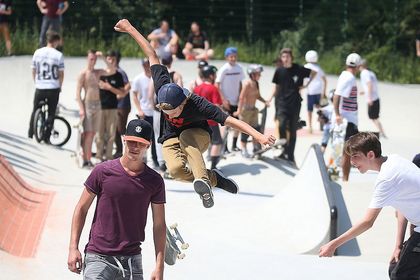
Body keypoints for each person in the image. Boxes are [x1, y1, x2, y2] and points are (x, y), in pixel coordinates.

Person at [114, 19, 275, 208]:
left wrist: (259, 136)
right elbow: (151, 54)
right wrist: (130, 28)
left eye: (174, 112)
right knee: (175, 171)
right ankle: (213, 179)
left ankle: (203, 180)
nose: (171, 116)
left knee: (188, 138)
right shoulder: (162, 85)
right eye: (166, 113)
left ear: (183, 102)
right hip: (170, 137)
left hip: (198, 135)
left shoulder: (200, 105)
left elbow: (231, 121)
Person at [67, 118, 166, 280]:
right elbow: (81, 208)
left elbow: (159, 225)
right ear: (124, 140)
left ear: (148, 145)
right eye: (131, 142)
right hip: (98, 256)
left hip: (132, 260)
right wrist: (73, 247)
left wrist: (159, 266)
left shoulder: (154, 181)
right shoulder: (102, 171)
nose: (135, 147)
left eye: (140, 143)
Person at [319, 132, 420, 280]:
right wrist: (398, 246)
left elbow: (367, 222)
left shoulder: (387, 178)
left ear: (370, 155)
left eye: (355, 156)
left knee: (401, 275)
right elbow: (402, 209)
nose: (352, 161)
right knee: (395, 267)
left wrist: (334, 244)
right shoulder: (394, 160)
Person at [269, 48, 316, 165]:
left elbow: (314, 73)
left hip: (295, 104)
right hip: (282, 103)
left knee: (293, 130)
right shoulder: (279, 70)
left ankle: (289, 155)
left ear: (291, 58)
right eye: (283, 57)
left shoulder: (298, 69)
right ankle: (284, 150)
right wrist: (269, 99)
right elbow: (276, 87)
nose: (285, 59)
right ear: (281, 58)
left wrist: (306, 86)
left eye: (287, 57)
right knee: (282, 124)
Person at [28, 31, 64, 142]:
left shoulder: (37, 52)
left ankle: (30, 133)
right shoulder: (58, 55)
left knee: (35, 109)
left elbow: (33, 70)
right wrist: (60, 86)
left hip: (40, 87)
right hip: (53, 87)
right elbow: (61, 74)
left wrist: (37, 82)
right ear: (56, 41)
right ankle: (46, 137)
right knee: (51, 112)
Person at [333, 52, 361, 181]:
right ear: (358, 66)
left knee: (343, 150)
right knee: (347, 151)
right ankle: (344, 180)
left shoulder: (345, 75)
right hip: (346, 120)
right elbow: (337, 95)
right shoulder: (349, 78)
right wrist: (338, 115)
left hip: (347, 119)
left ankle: (339, 177)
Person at [96, 50, 126, 161]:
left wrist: (110, 88)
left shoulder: (117, 75)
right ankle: (99, 156)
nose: (111, 61)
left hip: (113, 107)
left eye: (113, 59)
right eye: (109, 59)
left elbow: (122, 93)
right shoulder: (101, 74)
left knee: (111, 134)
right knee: (99, 134)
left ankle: (108, 156)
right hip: (100, 108)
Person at [234, 64, 270, 158]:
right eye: (258, 74)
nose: (260, 75)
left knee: (256, 130)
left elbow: (257, 96)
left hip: (254, 110)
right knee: (245, 131)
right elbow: (241, 97)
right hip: (245, 111)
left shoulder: (256, 84)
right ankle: (244, 149)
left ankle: (255, 148)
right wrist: (239, 110)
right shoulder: (247, 84)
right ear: (252, 74)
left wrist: (265, 101)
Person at [75, 50, 102, 168]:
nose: (93, 61)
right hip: (88, 105)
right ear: (87, 59)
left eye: (95, 59)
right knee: (88, 133)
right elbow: (77, 93)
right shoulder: (83, 74)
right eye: (91, 59)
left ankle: (87, 157)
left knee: (93, 133)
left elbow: (112, 70)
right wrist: (81, 109)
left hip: (98, 105)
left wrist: (104, 57)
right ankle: (86, 159)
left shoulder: (97, 72)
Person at [216, 47, 245, 153]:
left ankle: (234, 145)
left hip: (236, 101)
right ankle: (225, 147)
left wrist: (241, 96)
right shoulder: (224, 69)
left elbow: (241, 83)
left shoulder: (239, 68)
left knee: (238, 124)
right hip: (226, 102)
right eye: (231, 56)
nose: (233, 58)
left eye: (234, 56)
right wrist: (223, 99)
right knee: (226, 125)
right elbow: (217, 85)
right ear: (226, 57)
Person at [193, 65, 223, 169]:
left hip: (198, 121)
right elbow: (217, 106)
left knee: (199, 145)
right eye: (214, 74)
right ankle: (213, 167)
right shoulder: (213, 88)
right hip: (211, 122)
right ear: (211, 76)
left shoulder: (197, 88)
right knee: (217, 142)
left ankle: (197, 167)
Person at [131, 58, 159, 168]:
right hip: (144, 111)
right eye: (144, 64)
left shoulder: (155, 78)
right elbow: (134, 94)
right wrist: (139, 110)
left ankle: (156, 159)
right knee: (143, 137)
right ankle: (143, 160)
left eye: (147, 64)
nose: (146, 66)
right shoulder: (138, 78)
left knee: (155, 137)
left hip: (156, 112)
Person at [359, 59, 387, 138]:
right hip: (376, 97)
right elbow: (372, 86)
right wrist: (364, 92)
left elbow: (370, 85)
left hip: (372, 98)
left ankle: (381, 132)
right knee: (374, 117)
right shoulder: (371, 73)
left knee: (373, 117)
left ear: (361, 66)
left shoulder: (364, 73)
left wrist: (369, 98)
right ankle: (382, 131)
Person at [304, 50, 327, 133]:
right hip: (319, 90)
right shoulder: (318, 68)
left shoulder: (305, 66)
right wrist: (324, 92)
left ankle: (310, 127)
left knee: (309, 110)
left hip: (310, 91)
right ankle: (323, 124)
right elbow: (325, 80)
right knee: (320, 108)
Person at [114, 51, 131, 158]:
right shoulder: (112, 72)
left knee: (120, 129)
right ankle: (119, 151)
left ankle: (125, 150)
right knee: (116, 129)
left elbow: (128, 86)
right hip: (117, 105)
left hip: (123, 105)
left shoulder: (120, 72)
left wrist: (120, 95)